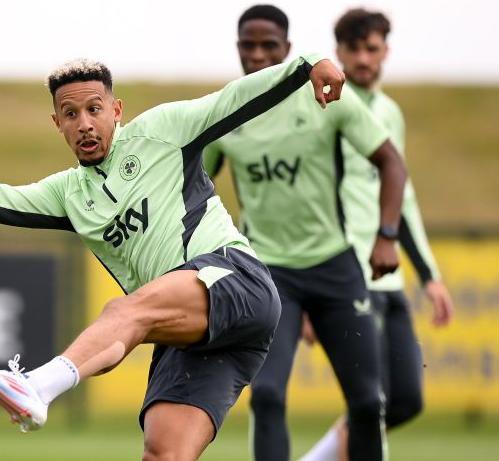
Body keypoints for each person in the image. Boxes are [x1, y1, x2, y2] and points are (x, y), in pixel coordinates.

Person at [0, 52, 346, 460]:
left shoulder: (162, 131)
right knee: (163, 453)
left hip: (234, 280)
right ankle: (37, 388)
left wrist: (305, 64)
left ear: (116, 109)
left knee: (125, 311)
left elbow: (233, 98)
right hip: (190, 332)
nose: (85, 124)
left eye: (94, 109)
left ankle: (35, 385)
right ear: (57, 123)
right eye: (71, 115)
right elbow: (6, 200)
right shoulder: (69, 194)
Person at [201, 5, 407, 461]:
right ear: (237, 49)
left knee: (369, 403)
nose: (257, 55)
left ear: (288, 50)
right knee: (268, 396)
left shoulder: (327, 97)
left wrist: (387, 235)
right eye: (248, 46)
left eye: (268, 46)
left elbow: (391, 162)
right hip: (269, 276)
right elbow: (194, 192)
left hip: (336, 269)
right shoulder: (224, 114)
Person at [298, 9, 455, 461]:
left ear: (386, 50)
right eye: (354, 49)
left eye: (373, 48)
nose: (364, 59)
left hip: (388, 277)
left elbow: (401, 199)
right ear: (339, 51)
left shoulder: (390, 113)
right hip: (344, 275)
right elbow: (310, 198)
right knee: (370, 400)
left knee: (405, 399)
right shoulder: (324, 108)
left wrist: (430, 275)